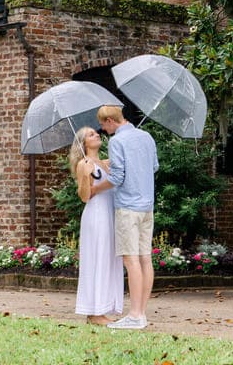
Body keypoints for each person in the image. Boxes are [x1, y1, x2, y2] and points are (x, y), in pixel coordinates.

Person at [95, 103, 158, 330]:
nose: (103, 129)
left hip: (128, 208)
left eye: (103, 124)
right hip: (146, 207)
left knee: (130, 260)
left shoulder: (117, 141)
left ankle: (134, 315)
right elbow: (153, 166)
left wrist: (95, 189)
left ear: (111, 121)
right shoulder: (147, 137)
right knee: (145, 258)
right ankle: (140, 314)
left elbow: (117, 179)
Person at [68, 126, 124, 325]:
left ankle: (105, 306)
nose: (97, 134)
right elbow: (85, 196)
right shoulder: (84, 164)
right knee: (98, 259)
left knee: (109, 259)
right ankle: (94, 312)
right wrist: (85, 175)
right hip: (97, 215)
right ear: (84, 143)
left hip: (111, 213)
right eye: (91, 134)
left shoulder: (105, 162)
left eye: (96, 132)